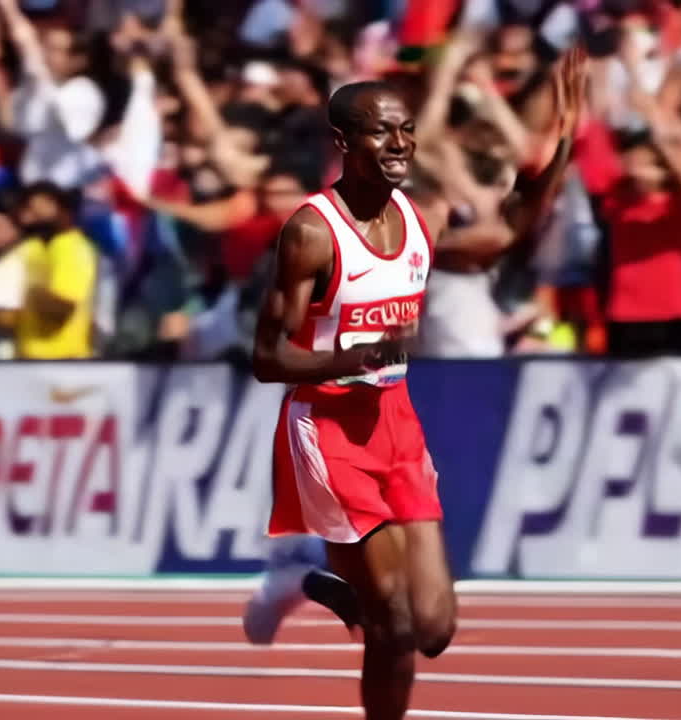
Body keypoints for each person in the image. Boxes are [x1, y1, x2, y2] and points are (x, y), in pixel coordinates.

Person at [249, 48, 587, 719]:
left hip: (396, 424)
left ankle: (303, 579)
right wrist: (348, 360)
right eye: (382, 130)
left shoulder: (421, 216)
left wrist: (561, 148)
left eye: (406, 129)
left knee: (432, 629)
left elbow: (509, 229)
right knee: (394, 625)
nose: (400, 142)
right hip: (329, 430)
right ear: (345, 142)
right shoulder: (313, 233)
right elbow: (267, 356)